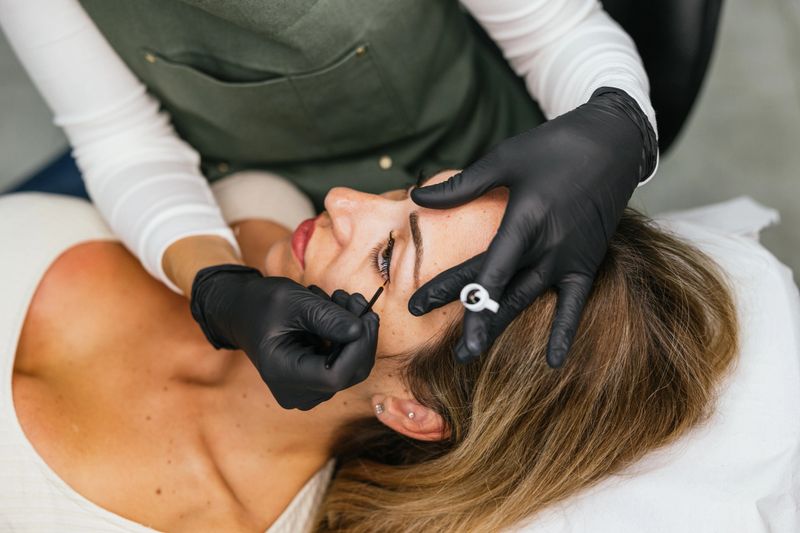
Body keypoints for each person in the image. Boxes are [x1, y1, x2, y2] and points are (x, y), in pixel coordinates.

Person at [2, 171, 798, 532]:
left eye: (389, 257)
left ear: (412, 409)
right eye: (411, 192)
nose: (346, 201)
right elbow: (253, 193)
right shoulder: (240, 226)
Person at [0, 0, 659, 406]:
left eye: (390, 256)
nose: (344, 199)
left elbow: (557, 26)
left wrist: (615, 124)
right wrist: (215, 286)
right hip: (209, 173)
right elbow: (120, 140)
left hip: (482, 136)